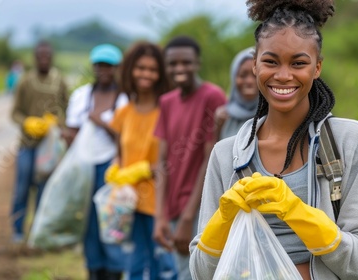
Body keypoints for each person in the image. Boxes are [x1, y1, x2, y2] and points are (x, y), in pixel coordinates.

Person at [189, 0, 358, 279]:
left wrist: (297, 212)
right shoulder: (226, 154)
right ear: (254, 64)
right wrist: (223, 220)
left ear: (316, 67)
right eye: (270, 61)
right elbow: (200, 272)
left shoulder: (351, 142)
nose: (283, 75)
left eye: (298, 63)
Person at [153, 36, 227, 280]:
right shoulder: (166, 102)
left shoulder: (212, 97)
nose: (179, 69)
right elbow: (161, 161)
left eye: (186, 62)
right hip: (172, 207)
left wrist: (187, 218)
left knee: (194, 273)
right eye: (173, 64)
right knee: (181, 270)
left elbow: (209, 160)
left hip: (198, 207)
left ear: (198, 63)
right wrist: (160, 215)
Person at [107, 41, 177, 280]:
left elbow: (173, 157)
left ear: (161, 74)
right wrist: (117, 173)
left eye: (152, 69)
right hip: (128, 203)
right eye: (140, 68)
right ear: (129, 70)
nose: (146, 74)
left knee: (164, 268)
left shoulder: (168, 110)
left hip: (159, 203)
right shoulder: (123, 113)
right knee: (135, 266)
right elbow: (119, 154)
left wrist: (152, 169)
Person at [64, 44, 129, 280]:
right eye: (99, 65)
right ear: (93, 67)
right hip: (84, 167)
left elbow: (125, 137)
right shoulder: (81, 96)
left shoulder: (124, 99)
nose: (103, 70)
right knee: (88, 220)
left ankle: (114, 269)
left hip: (111, 167)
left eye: (109, 66)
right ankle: (94, 268)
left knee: (111, 220)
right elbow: (72, 130)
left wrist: (100, 122)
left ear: (117, 68)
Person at [10, 41, 68, 244]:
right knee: (22, 189)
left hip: (49, 148)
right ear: (34, 57)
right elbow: (14, 113)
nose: (44, 59)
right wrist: (27, 122)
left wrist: (57, 122)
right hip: (27, 145)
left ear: (52, 57)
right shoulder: (25, 81)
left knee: (45, 189)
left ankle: (39, 232)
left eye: (47, 56)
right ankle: (17, 232)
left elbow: (67, 110)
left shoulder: (59, 81)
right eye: (40, 55)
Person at [215, 47, 259, 140]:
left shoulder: (274, 115)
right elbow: (217, 151)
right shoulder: (224, 116)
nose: (249, 81)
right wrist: (218, 127)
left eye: (255, 75)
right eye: (243, 75)